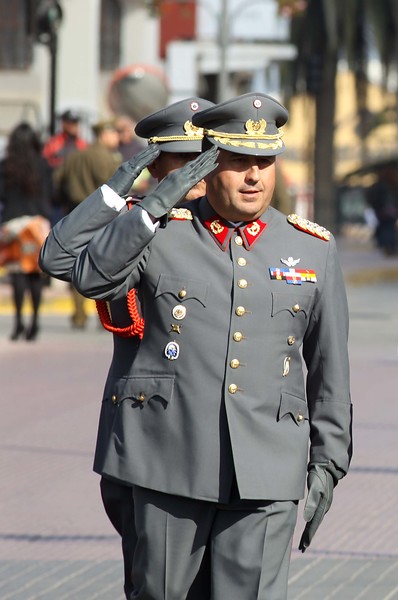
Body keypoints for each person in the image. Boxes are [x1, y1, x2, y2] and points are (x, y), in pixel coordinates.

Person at [70, 92, 353, 598]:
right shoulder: (159, 231)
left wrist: (328, 465)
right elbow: (90, 275)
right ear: (209, 164)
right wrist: (152, 203)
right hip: (169, 460)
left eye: (264, 163)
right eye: (239, 162)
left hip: (268, 467)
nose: (254, 176)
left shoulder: (312, 247)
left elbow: (329, 369)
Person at [40, 97, 215, 598]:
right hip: (142, 432)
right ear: (157, 165)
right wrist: (120, 186)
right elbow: (58, 258)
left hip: (212, 433)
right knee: (150, 582)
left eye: (205, 159)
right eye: (182, 162)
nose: (194, 174)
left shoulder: (231, 233)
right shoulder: (136, 225)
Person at [56, 118, 122, 329]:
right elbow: (116, 188)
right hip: (101, 216)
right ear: (104, 134)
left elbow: (58, 183)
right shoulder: (105, 158)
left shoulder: (74, 156)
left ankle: (79, 314)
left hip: (75, 214)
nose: (117, 138)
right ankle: (108, 314)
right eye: (114, 133)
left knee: (77, 265)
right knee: (106, 265)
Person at [0, 123, 53, 341]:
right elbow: (51, 194)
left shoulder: (6, 166)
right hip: (37, 223)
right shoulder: (43, 165)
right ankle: (35, 321)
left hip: (13, 224)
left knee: (17, 274)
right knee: (35, 274)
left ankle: (19, 321)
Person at [367, 160, 398, 255]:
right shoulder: (380, 186)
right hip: (384, 213)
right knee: (387, 230)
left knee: (392, 230)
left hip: (392, 213)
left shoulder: (395, 185)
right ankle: (389, 248)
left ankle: (393, 248)